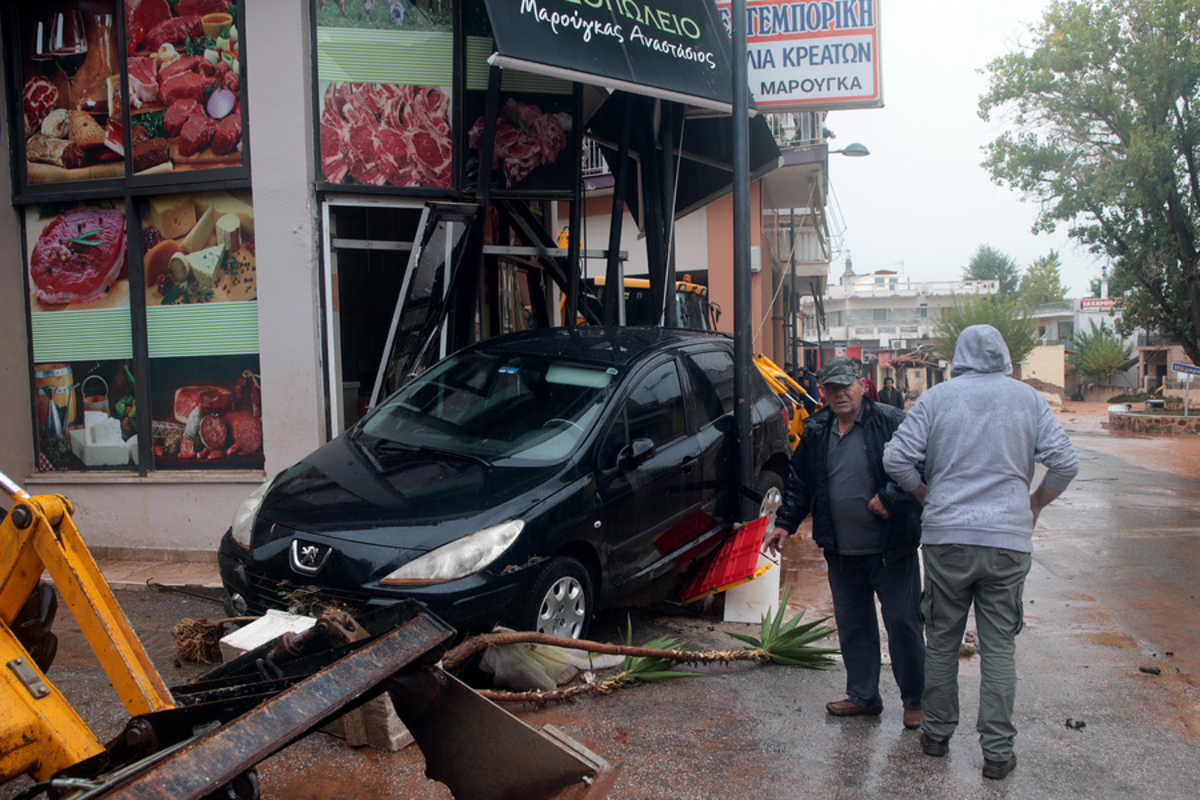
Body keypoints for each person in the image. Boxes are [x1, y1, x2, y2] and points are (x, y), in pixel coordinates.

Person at [882, 324, 1079, 781]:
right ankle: (996, 753)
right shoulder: (1027, 399)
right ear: (1005, 355)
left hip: (946, 539)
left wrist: (925, 495)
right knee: (998, 649)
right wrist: (1035, 502)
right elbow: (1065, 462)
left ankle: (935, 734)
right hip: (1007, 540)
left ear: (961, 356)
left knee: (944, 641)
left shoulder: (937, 399)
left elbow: (896, 459)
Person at [765, 357, 925, 730]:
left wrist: (891, 496)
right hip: (841, 548)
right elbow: (801, 483)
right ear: (823, 391)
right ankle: (863, 695)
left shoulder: (892, 421)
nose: (839, 395)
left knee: (902, 623)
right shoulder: (818, 428)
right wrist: (784, 524)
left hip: (891, 547)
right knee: (853, 625)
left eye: (845, 387)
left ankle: (916, 699)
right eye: (831, 389)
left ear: (861, 384)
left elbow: (923, 463)